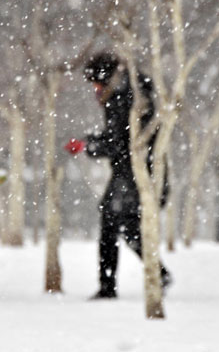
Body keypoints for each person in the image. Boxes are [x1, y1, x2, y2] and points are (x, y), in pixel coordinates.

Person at [65, 52, 172, 299]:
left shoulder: (122, 97)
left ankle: (109, 286)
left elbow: (119, 143)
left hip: (134, 172)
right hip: (142, 170)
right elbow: (120, 138)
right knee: (128, 226)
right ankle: (155, 273)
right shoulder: (131, 91)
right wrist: (89, 143)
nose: (94, 89)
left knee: (112, 223)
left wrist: (87, 146)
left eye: (95, 83)